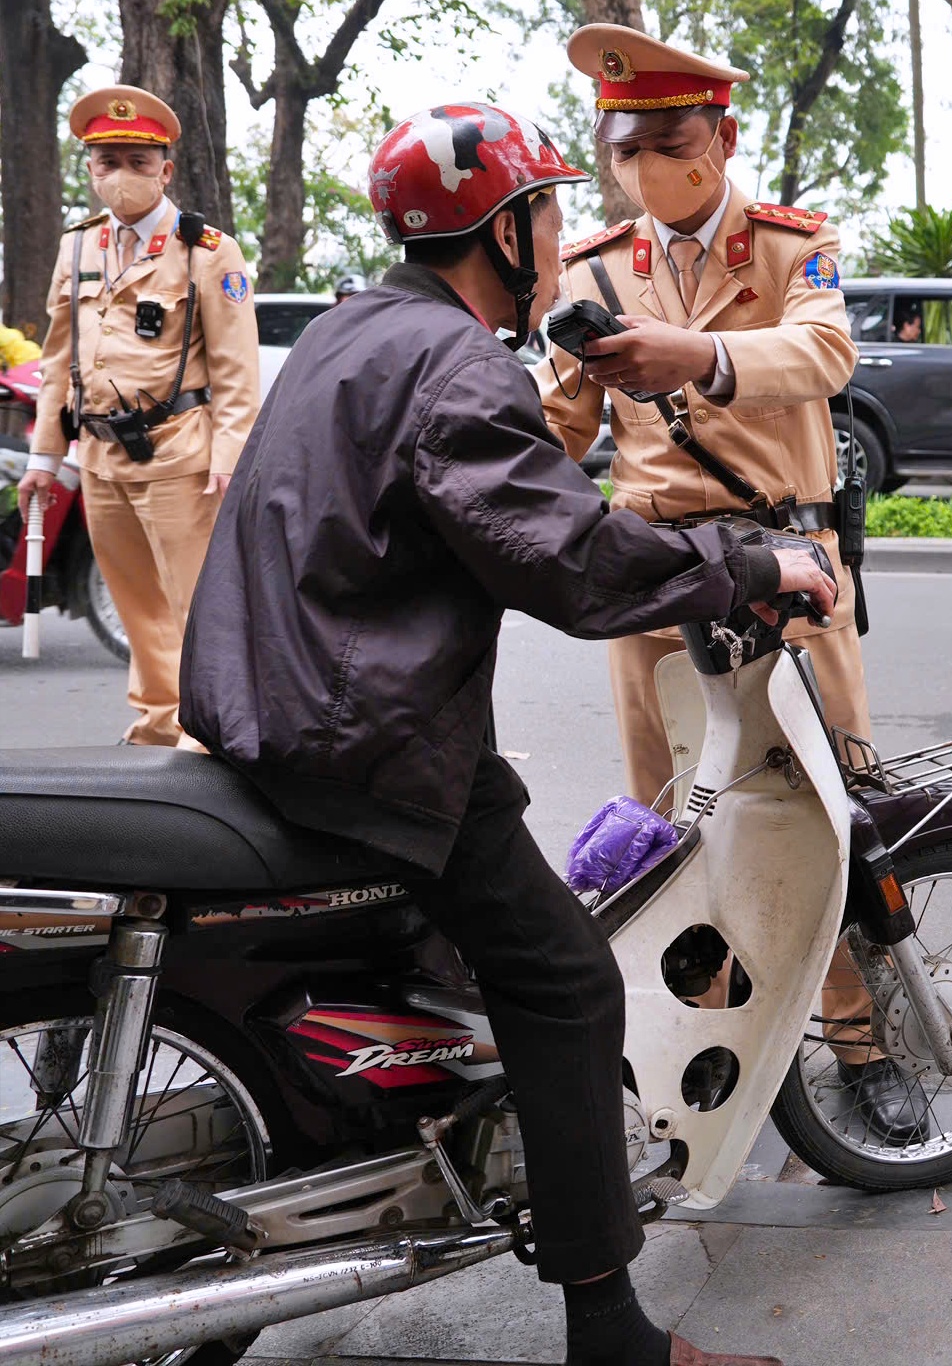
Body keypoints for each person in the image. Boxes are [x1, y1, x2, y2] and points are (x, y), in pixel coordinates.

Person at [183, 101, 828, 1366]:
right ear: (505, 230)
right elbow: (567, 558)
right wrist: (747, 562)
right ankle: (611, 1329)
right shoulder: (457, 363)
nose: (561, 238)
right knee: (566, 979)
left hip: (280, 703)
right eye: (548, 213)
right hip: (363, 733)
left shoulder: (351, 329)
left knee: (455, 950)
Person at [535, 26, 920, 1146]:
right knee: (674, 830)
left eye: (670, 143)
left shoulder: (795, 245)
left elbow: (824, 355)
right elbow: (559, 427)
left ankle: (860, 1044)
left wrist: (696, 357)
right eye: (626, 148)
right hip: (656, 580)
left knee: (830, 814)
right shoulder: (593, 268)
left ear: (723, 139)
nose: (646, 167)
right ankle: (706, 1046)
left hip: (787, 570)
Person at [24, 85, 262, 745]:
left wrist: (230, 460)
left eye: (137, 160)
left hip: (180, 456)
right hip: (99, 457)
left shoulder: (207, 251)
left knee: (194, 604)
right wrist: (45, 457)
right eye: (108, 161)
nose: (121, 174)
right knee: (136, 604)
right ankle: (159, 722)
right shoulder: (79, 248)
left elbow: (237, 370)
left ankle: (205, 730)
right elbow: (57, 360)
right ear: (90, 169)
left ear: (165, 168)